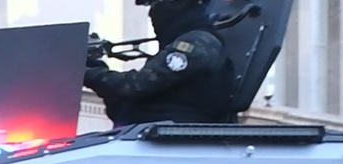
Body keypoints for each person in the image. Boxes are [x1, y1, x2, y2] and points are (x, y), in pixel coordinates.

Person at [84, 0, 235, 126]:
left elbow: (137, 85)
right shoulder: (179, 43)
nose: (152, 13)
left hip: (175, 137)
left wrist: (88, 73)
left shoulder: (197, 43)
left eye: (156, 4)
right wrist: (94, 67)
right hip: (155, 134)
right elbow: (127, 97)